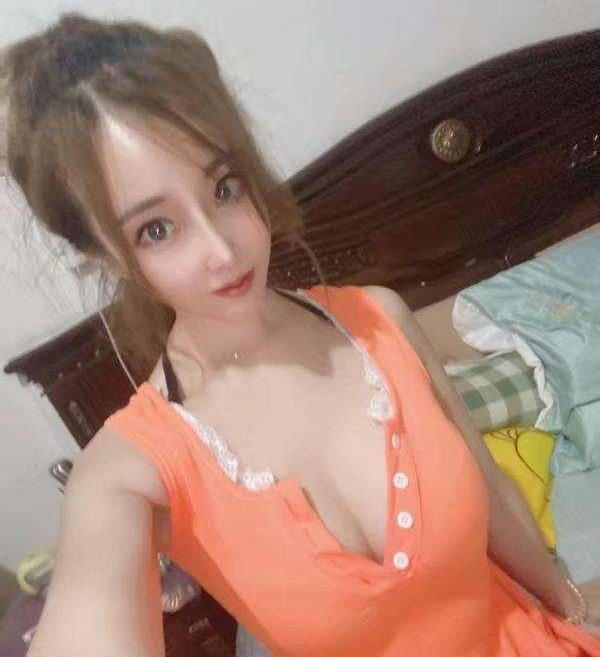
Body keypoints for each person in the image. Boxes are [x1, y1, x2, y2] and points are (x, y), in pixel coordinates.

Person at [2, 12, 600, 657]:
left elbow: (496, 499)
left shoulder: (380, 320)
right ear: (104, 255)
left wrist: (571, 608)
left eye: (224, 188)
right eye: (157, 229)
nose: (222, 250)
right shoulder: (129, 472)